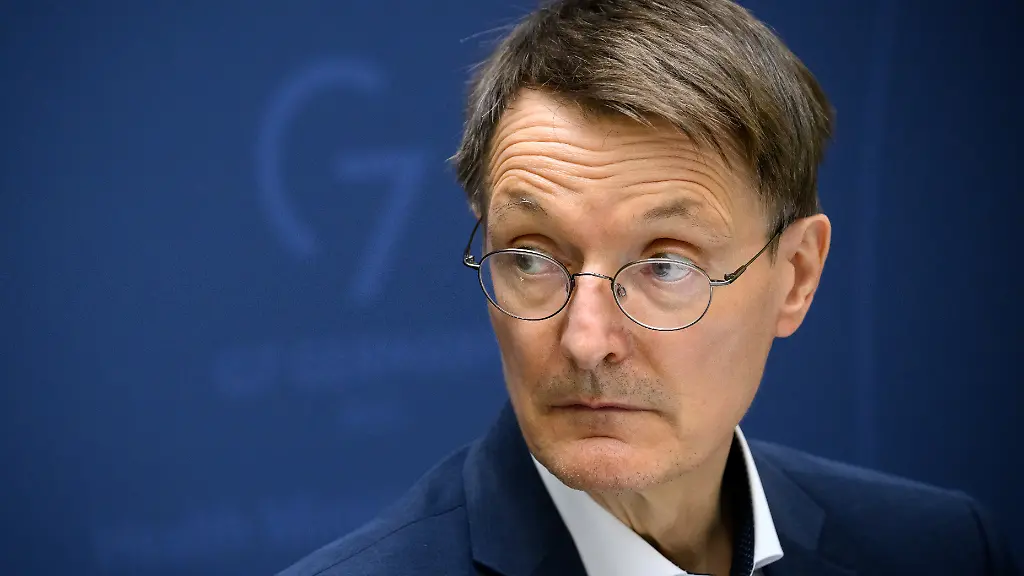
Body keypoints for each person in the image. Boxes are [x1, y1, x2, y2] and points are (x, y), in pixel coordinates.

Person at [279, 1, 1020, 574]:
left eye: (666, 265)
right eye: (532, 257)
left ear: (796, 276)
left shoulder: (943, 549)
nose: (586, 340)